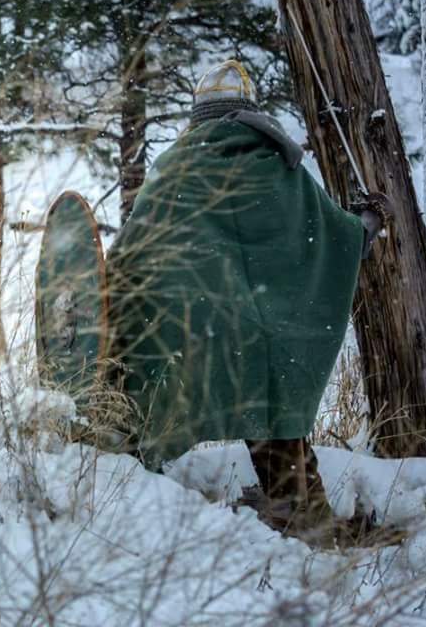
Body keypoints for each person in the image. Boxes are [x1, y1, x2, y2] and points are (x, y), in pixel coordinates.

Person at [107, 60, 390, 534]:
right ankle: (303, 513)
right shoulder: (277, 168)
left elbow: (131, 256)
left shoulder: (174, 168)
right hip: (260, 342)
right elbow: (334, 242)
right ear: (249, 110)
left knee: (148, 404)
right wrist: (369, 222)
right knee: (273, 404)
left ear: (198, 113)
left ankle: (127, 493)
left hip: (190, 333)